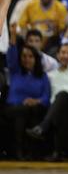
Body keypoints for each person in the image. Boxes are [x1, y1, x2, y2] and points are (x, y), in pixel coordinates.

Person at [26, 43, 68, 161]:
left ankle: (42, 127)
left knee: (62, 96)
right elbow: (48, 96)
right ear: (57, 55)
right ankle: (59, 152)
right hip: (58, 107)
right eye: (63, 53)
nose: (65, 56)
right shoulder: (50, 75)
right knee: (60, 102)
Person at [3, 30, 50, 159]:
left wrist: (36, 101)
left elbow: (46, 97)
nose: (26, 59)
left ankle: (22, 151)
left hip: (31, 109)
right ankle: (19, 151)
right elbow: (11, 54)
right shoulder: (15, 71)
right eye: (24, 56)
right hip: (12, 108)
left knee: (25, 113)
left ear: (36, 58)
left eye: (30, 56)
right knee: (21, 112)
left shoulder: (43, 76)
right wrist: (13, 35)